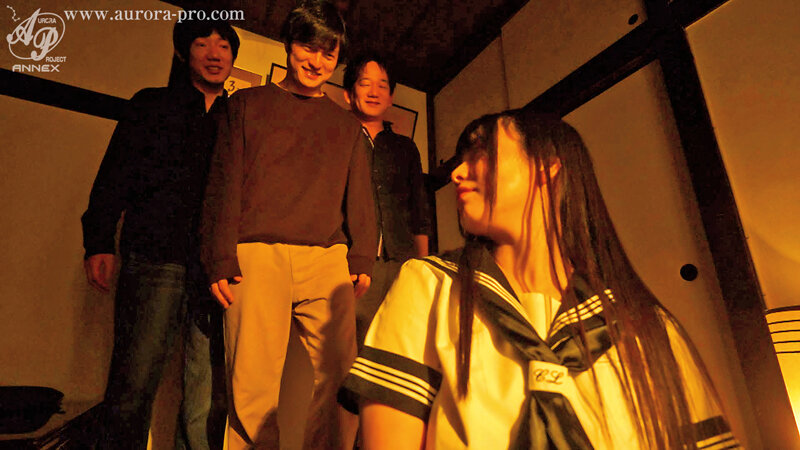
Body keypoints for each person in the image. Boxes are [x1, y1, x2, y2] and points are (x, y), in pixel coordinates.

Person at [338, 110, 743, 449]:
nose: (457, 172)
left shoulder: (649, 327)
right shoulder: (430, 287)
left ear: (547, 166)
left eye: (480, 151)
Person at [199, 1, 376, 448]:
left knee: (342, 379)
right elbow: (223, 181)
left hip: (327, 258)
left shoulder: (347, 126)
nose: (317, 61)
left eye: (328, 53)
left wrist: (362, 257)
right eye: (308, 47)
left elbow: (360, 195)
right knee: (252, 387)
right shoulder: (245, 105)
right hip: (256, 255)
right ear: (288, 44)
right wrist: (218, 256)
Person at [81, 19, 239, 449]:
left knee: (207, 396)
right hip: (155, 257)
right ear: (183, 53)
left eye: (224, 46)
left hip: (215, 270)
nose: (214, 53)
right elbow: (114, 174)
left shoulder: (238, 118)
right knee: (132, 386)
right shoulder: (151, 104)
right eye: (202, 43)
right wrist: (99, 241)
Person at [342, 53, 433, 347]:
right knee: (350, 348)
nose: (374, 92)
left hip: (401, 262)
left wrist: (422, 267)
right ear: (347, 94)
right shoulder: (337, 139)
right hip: (350, 262)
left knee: (399, 344)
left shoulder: (405, 147)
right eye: (365, 83)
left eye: (382, 85)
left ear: (391, 96)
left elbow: (419, 209)